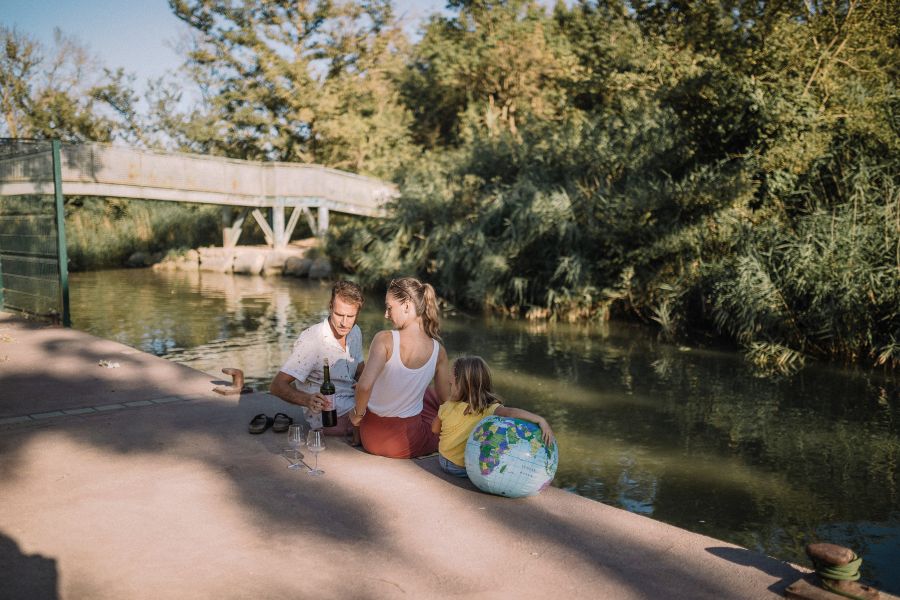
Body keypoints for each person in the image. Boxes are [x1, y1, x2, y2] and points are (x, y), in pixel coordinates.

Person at [349, 277, 450, 458]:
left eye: (389, 308)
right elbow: (447, 401)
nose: (386, 315)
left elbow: (364, 386)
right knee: (431, 399)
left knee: (426, 395)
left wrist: (357, 416)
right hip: (406, 442)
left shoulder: (384, 339)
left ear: (406, 305)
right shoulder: (438, 351)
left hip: (371, 436)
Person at [270, 280, 365, 438]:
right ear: (330, 307)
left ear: (357, 313)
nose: (344, 322)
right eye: (339, 314)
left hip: (354, 402)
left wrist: (362, 382)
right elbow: (276, 386)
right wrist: (307, 400)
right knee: (383, 421)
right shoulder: (312, 340)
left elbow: (360, 369)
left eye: (350, 316)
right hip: (328, 416)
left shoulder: (355, 331)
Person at [431, 356, 554, 477]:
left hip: (443, 461)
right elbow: (511, 412)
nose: (449, 384)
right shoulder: (488, 409)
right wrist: (540, 419)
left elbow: (434, 429)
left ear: (458, 384)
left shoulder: (447, 406)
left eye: (451, 383)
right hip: (464, 468)